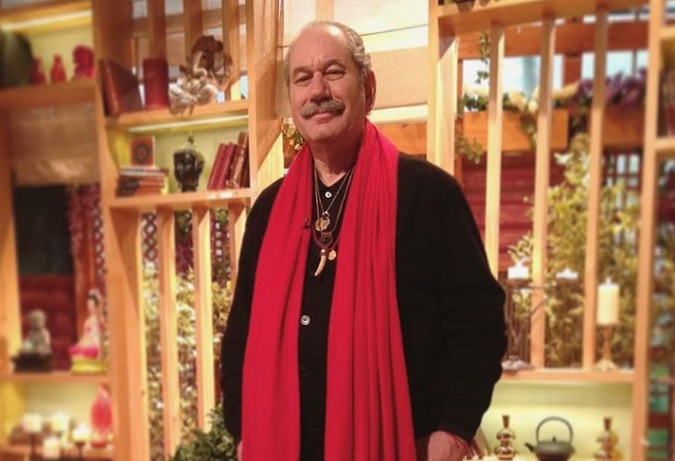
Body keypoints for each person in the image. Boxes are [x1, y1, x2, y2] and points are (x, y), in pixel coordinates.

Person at [220, 20, 506, 461]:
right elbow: (240, 335)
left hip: (402, 448)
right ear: (292, 100)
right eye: (302, 78)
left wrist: (454, 431)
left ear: (368, 88)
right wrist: (243, 432)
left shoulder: (430, 197)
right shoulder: (268, 211)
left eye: (333, 72)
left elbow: (478, 324)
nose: (318, 90)